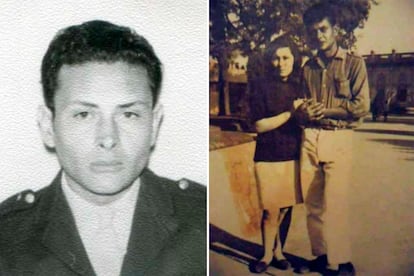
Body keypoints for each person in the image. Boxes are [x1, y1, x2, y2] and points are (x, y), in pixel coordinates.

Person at [0, 20, 206, 276]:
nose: (108, 139)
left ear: (154, 125)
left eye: (129, 114)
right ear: (48, 127)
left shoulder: (203, 219)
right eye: (84, 114)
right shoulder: (6, 239)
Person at [296, 3, 370, 275]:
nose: (319, 35)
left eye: (324, 29)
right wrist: (305, 110)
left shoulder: (354, 64)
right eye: (313, 31)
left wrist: (325, 110)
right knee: (313, 204)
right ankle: (321, 254)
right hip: (311, 137)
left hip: (339, 136)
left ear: (336, 30)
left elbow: (361, 106)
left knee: (336, 202)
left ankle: (342, 261)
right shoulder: (308, 68)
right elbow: (302, 103)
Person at [248, 36, 305, 274]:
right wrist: (291, 112)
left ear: (294, 59)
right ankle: (266, 254)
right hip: (267, 155)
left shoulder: (300, 86)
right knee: (271, 209)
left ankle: (279, 252)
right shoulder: (260, 87)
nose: (281, 62)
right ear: (270, 60)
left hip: (292, 153)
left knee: (285, 208)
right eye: (276, 58)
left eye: (286, 57)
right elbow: (258, 125)